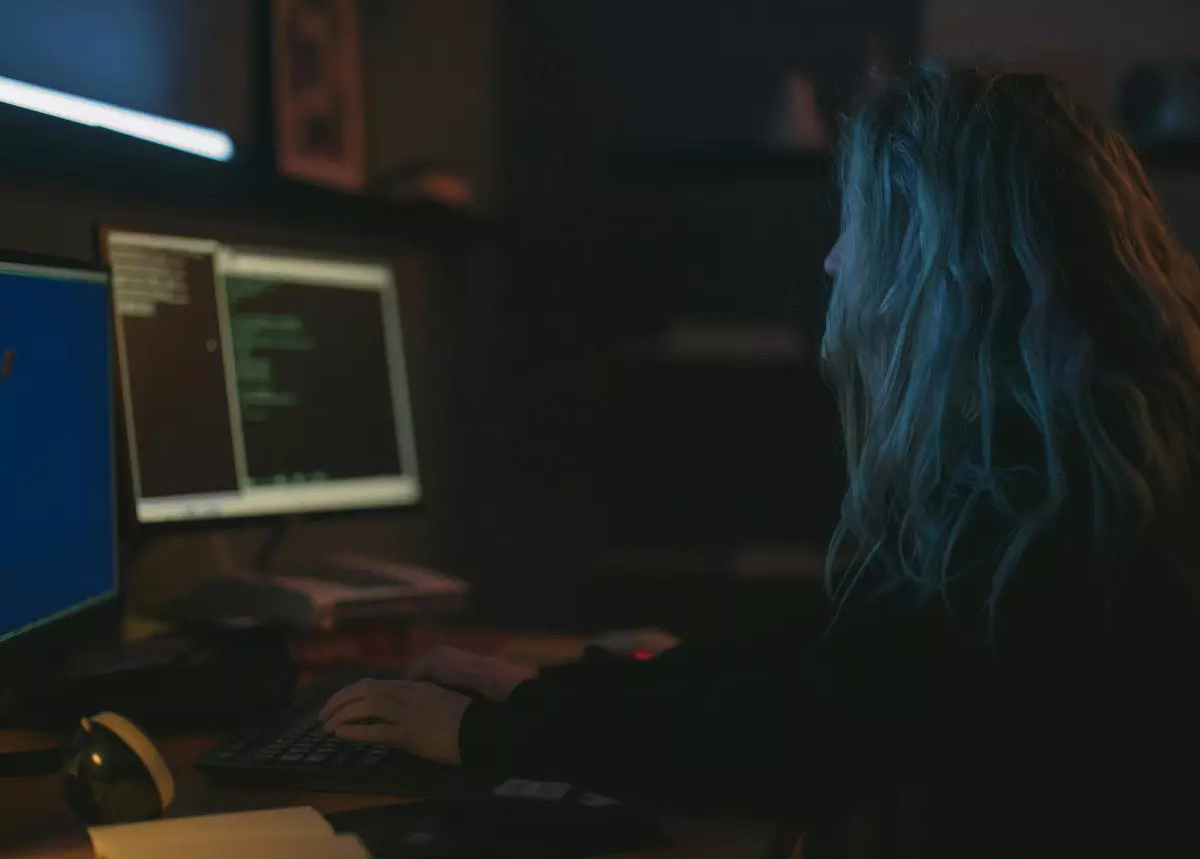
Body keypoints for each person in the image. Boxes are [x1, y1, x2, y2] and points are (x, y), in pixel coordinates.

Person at [318, 62, 1200, 856]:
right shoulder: (1097, 439)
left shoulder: (1042, 493)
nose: (831, 260)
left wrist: (486, 737)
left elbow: (811, 737)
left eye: (858, 228)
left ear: (936, 260)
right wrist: (539, 696)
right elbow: (839, 665)